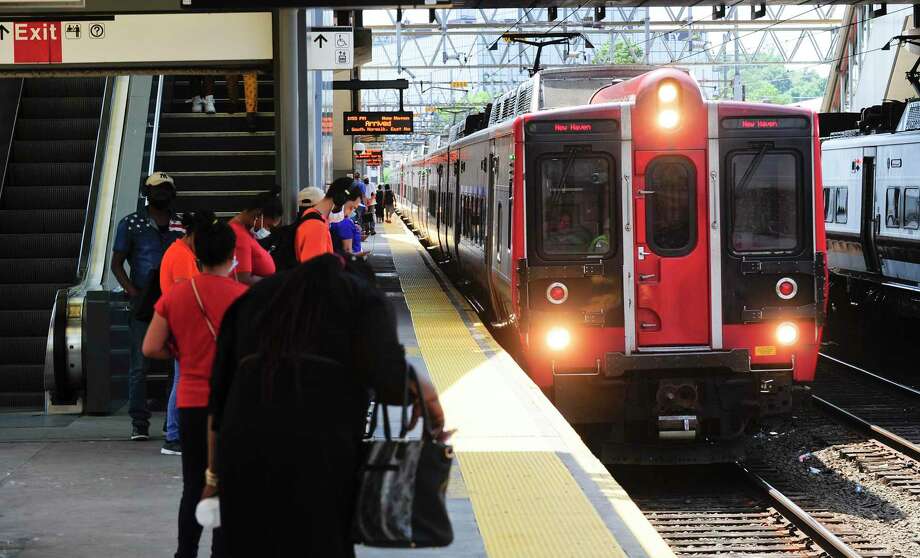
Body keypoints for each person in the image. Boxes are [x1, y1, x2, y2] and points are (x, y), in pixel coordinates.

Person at [202, 254, 448, 557]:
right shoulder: (363, 300)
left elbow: (217, 407)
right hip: (323, 458)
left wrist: (213, 477)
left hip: (242, 455)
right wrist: (417, 385)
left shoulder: (254, 300)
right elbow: (390, 383)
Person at [143, 218, 245, 558]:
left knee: (193, 485)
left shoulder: (177, 295)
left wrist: (183, 352)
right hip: (233, 405)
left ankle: (185, 553)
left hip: (191, 402)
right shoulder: (245, 298)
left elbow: (150, 347)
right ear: (233, 256)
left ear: (196, 254)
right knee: (228, 485)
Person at [111, 172, 185, 441]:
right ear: (147, 192)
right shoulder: (130, 224)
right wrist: (133, 292)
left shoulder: (182, 224)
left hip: (175, 301)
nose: (162, 193)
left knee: (174, 366)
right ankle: (139, 423)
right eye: (157, 189)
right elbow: (116, 263)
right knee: (139, 365)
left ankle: (171, 421)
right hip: (143, 302)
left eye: (167, 189)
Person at [157, 211, 215, 456]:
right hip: (184, 325)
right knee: (183, 381)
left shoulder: (183, 252)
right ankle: (173, 436)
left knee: (183, 380)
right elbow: (185, 294)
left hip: (181, 323)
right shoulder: (181, 255)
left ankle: (175, 432)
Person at [295, 177, 359, 263]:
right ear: (340, 199)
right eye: (351, 208)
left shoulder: (314, 217)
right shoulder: (316, 226)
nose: (348, 214)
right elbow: (314, 270)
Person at [229, 192, 282, 285]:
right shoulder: (238, 235)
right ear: (258, 215)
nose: (268, 230)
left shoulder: (245, 232)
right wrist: (273, 282)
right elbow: (242, 278)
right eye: (269, 225)